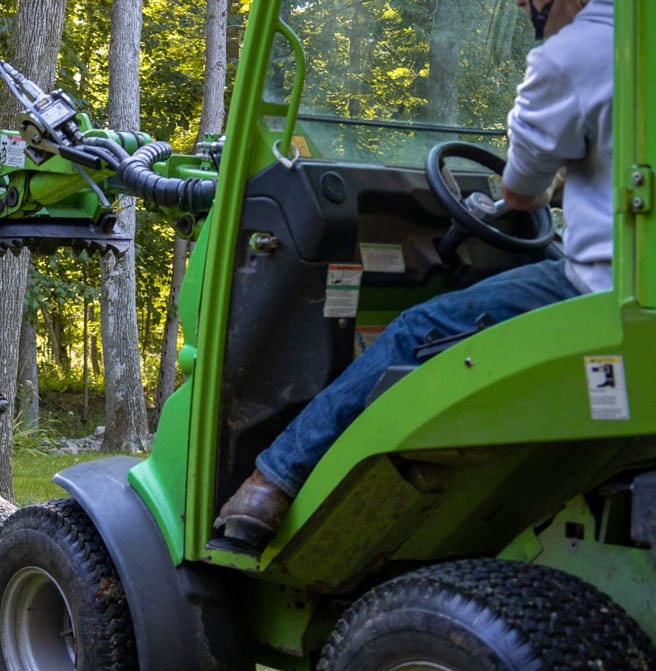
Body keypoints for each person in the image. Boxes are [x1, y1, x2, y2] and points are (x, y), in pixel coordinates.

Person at [214, 0, 613, 552]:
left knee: (415, 329)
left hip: (602, 286)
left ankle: (270, 482)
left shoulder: (569, 56)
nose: (523, 5)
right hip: (635, 278)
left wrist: (545, 189)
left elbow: (520, 192)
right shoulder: (638, 45)